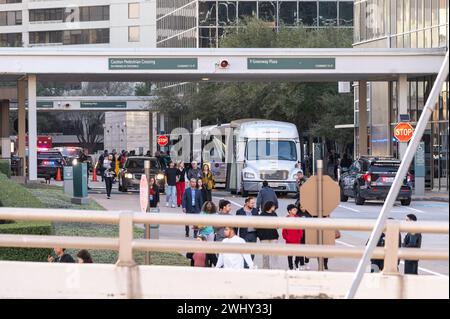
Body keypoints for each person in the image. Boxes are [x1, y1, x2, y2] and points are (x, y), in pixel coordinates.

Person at [257, 201, 279, 269]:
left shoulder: (274, 214)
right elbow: (258, 226)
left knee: (274, 254)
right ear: (269, 206)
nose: (274, 207)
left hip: (273, 236)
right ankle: (266, 268)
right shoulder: (262, 214)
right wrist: (261, 236)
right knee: (265, 254)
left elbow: (277, 224)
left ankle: (274, 268)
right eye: (273, 206)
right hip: (264, 237)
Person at [282, 204, 303, 270]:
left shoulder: (298, 218)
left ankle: (296, 263)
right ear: (289, 211)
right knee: (290, 254)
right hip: (289, 240)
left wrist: (299, 236)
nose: (296, 211)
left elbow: (300, 229)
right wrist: (286, 237)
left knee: (298, 254)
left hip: (297, 239)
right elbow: (284, 230)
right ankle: (290, 266)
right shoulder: (286, 219)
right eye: (294, 210)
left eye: (296, 210)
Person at [296, 204, 311, 269]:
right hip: (300, 234)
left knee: (308, 249)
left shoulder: (310, 214)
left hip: (308, 234)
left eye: (303, 206)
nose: (302, 208)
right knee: (301, 248)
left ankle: (307, 262)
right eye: (301, 207)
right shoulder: (298, 214)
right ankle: (301, 263)